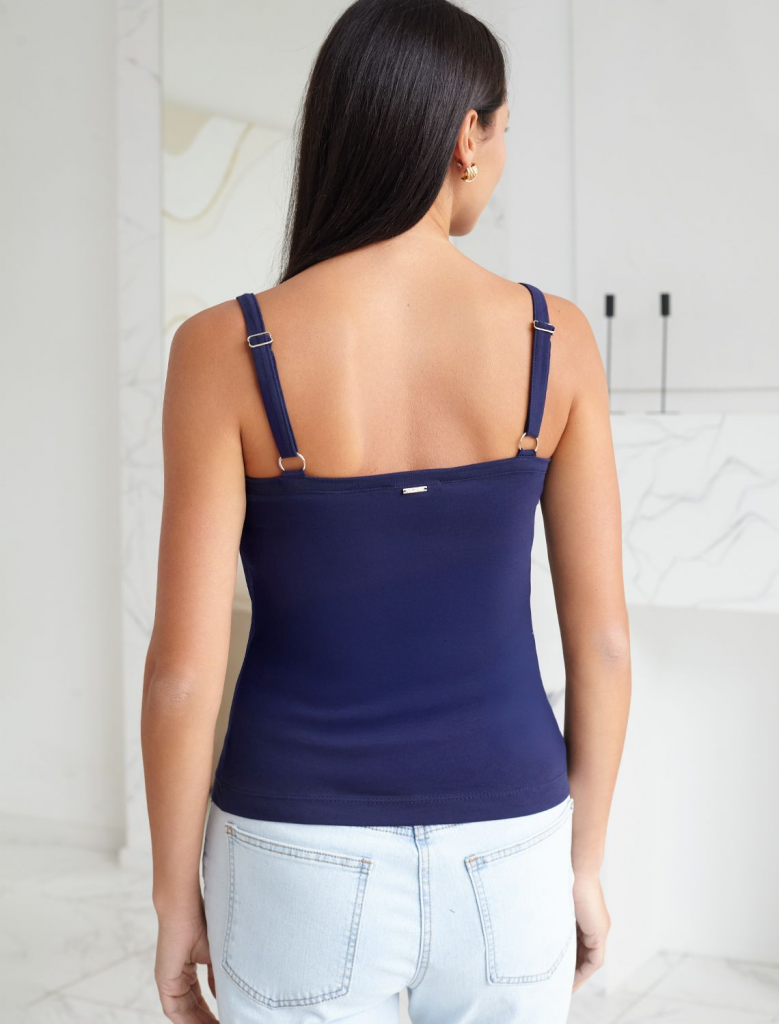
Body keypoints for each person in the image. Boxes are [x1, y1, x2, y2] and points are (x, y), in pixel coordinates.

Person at [141, 1, 631, 1021]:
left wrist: (173, 901)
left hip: (291, 849)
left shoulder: (222, 348)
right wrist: (581, 862)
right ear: (465, 137)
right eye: (502, 130)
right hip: (510, 848)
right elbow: (603, 643)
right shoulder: (554, 340)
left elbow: (184, 671)